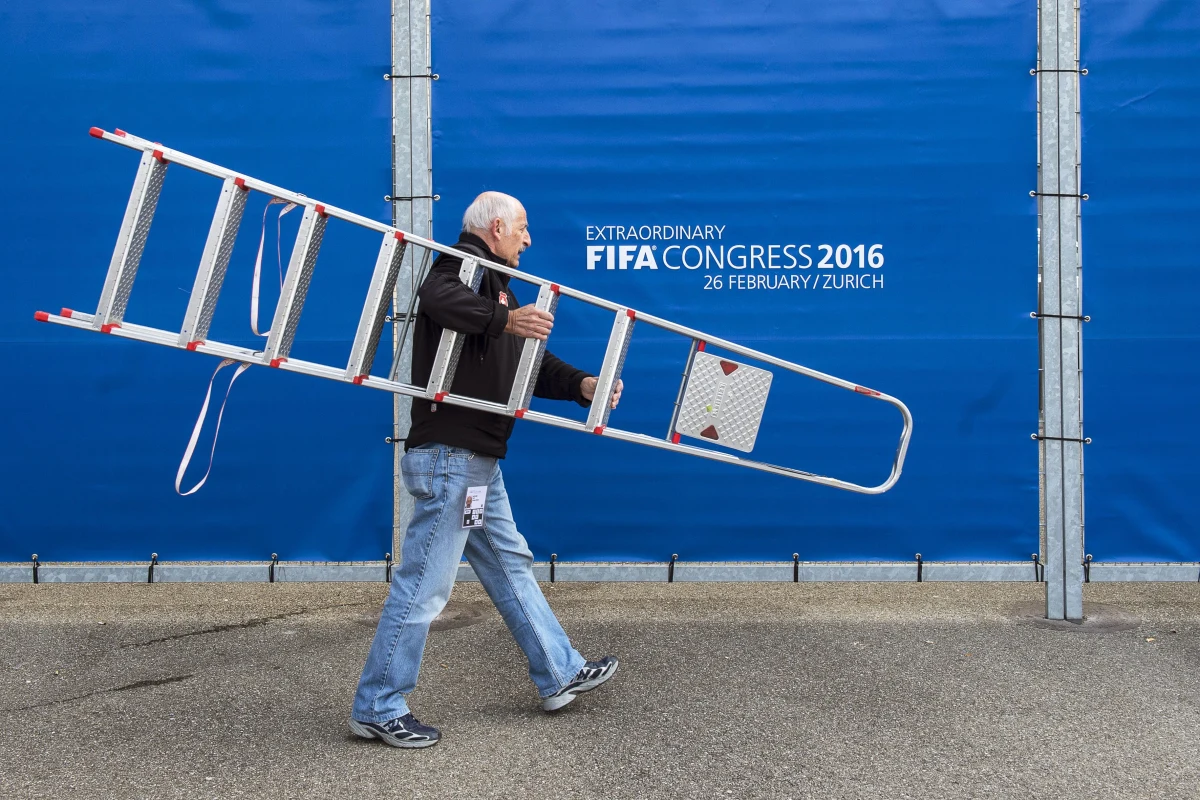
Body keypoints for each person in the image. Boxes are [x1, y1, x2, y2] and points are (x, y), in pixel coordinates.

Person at [349, 191, 623, 749]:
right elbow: (436, 296)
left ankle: (558, 670)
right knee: (425, 585)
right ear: (496, 227)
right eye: (522, 227)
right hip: (452, 458)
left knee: (509, 565)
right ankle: (377, 705)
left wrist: (580, 385)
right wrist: (504, 318)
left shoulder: (497, 287)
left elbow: (529, 362)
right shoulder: (460, 267)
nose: (528, 239)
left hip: (477, 462)